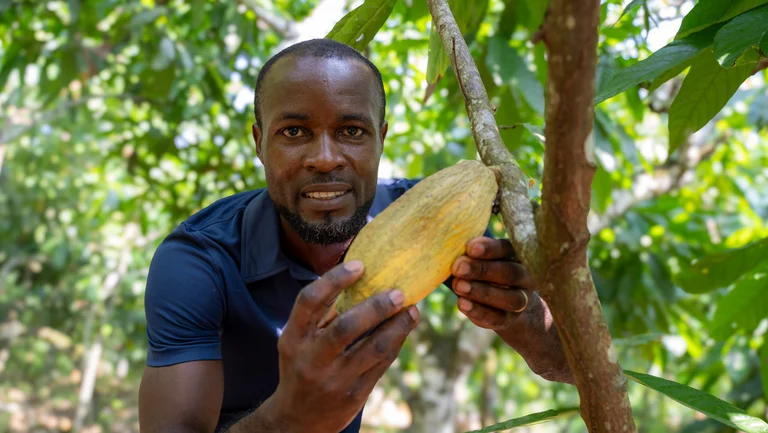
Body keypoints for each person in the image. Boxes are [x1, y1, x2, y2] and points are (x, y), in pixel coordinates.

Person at [137, 38, 572, 433]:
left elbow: (573, 365)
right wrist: (289, 419)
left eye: (351, 131)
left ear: (380, 140)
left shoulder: (429, 214)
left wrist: (524, 315)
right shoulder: (198, 260)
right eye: (293, 132)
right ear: (259, 143)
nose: (325, 159)